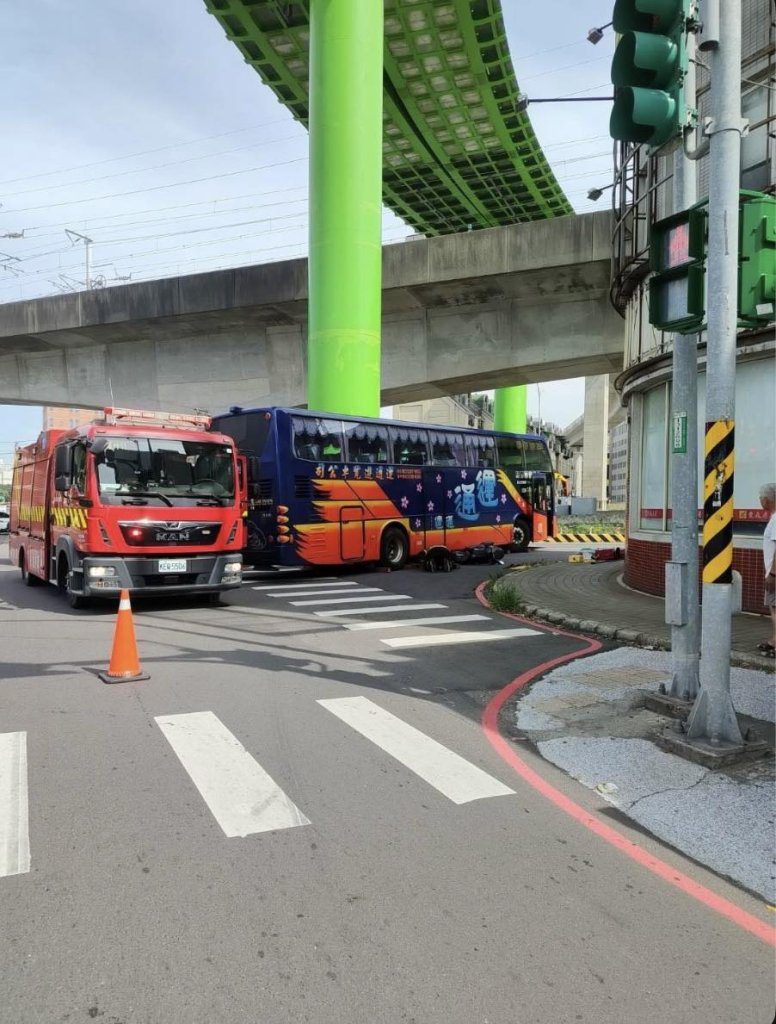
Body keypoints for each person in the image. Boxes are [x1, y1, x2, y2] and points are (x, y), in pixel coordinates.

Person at [758, 482, 776, 658]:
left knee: (775, 609)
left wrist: (772, 574)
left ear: (766, 499)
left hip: (775, 574)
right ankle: (774, 640)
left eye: (760, 498)